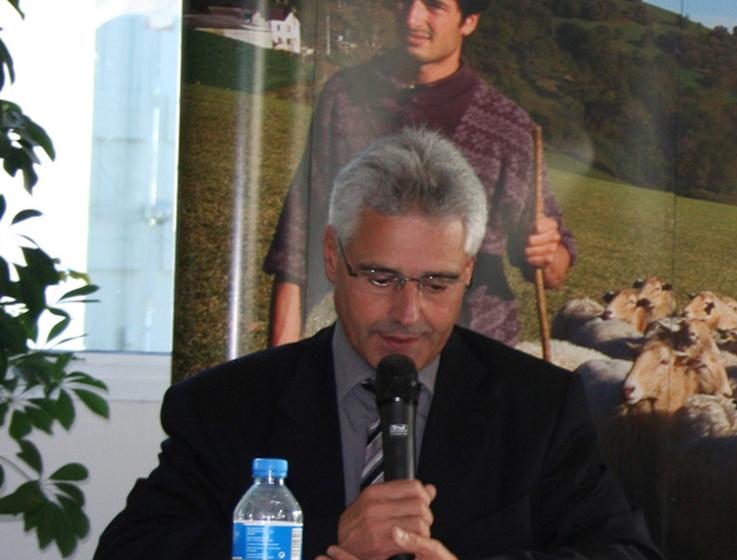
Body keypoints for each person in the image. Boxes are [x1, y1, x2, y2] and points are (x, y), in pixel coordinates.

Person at [95, 129, 662, 560]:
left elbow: (624, 553)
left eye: (436, 283)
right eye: (380, 277)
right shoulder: (226, 407)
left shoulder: (539, 405)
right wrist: (322, 541)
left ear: (468, 271)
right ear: (331, 257)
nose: (407, 313)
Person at [264, 0, 575, 348]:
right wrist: (280, 367)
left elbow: (554, 268)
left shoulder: (507, 126)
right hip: (360, 343)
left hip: (470, 350)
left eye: (434, 6)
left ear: (469, 21)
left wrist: (545, 251)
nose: (412, 17)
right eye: (404, 2)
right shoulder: (347, 96)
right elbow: (299, 241)